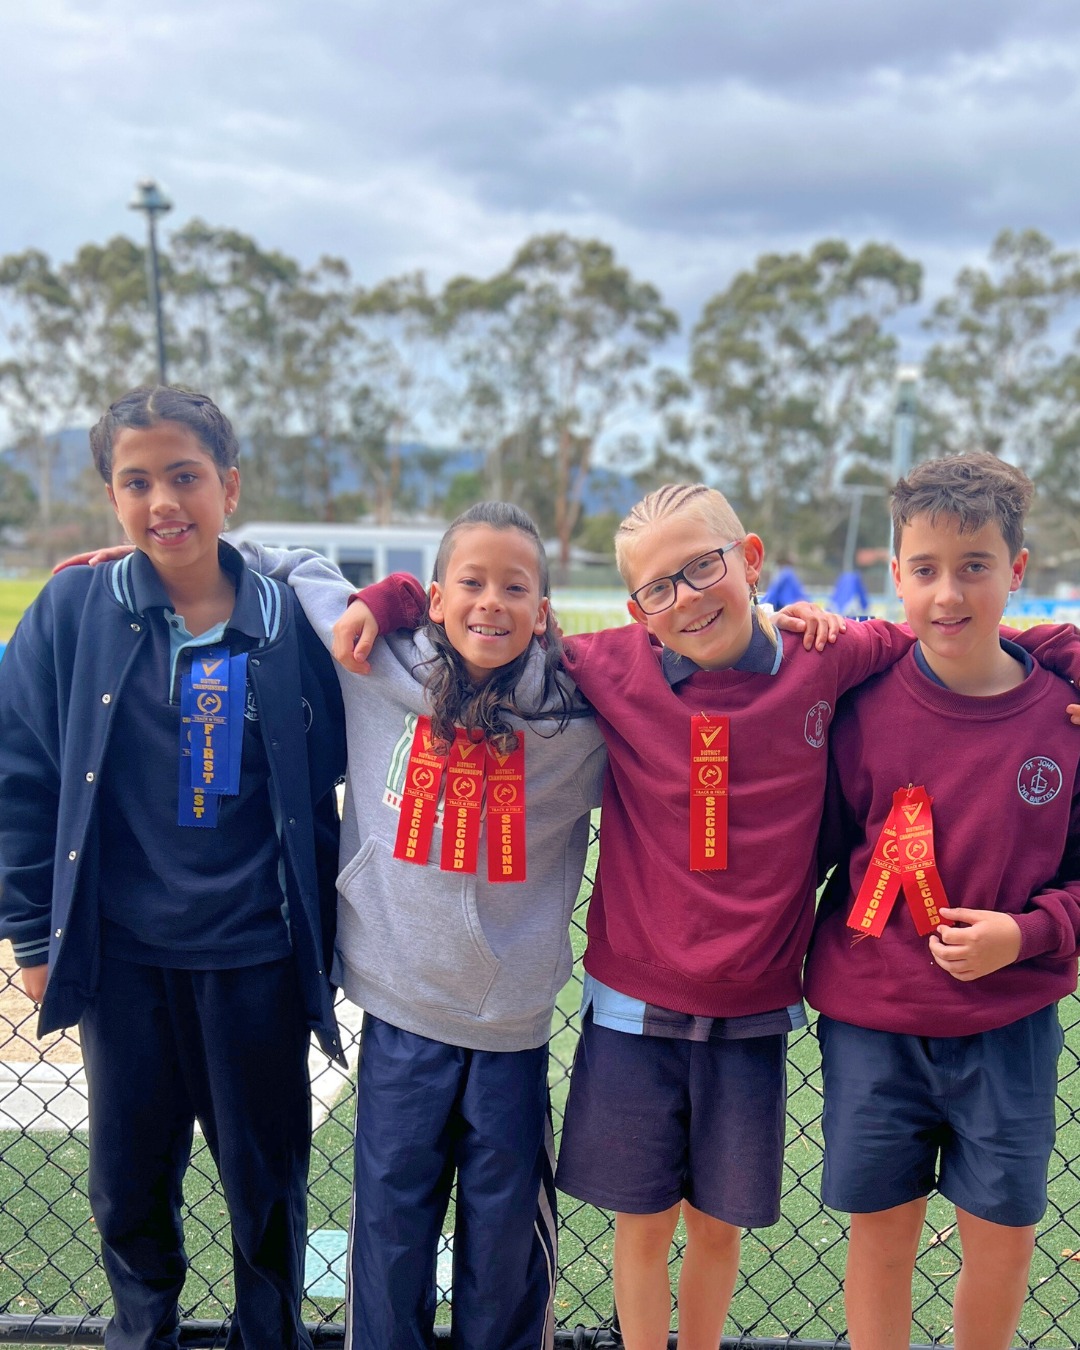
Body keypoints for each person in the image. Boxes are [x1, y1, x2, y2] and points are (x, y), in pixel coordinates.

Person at [336, 481, 1080, 1350]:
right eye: (659, 587)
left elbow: (955, 632)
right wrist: (386, 594)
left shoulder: (828, 656)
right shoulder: (609, 665)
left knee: (717, 1230)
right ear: (635, 609)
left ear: (751, 560)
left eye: (702, 568)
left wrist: (1067, 654)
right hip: (630, 1008)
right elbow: (496, 618)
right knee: (641, 1227)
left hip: (756, 1009)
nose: (686, 598)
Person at [0, 386, 346, 1350]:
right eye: (137, 480)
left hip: (257, 962)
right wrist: (34, 931)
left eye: (186, 476)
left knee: (266, 1185)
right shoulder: (76, 608)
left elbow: (360, 744)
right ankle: (140, 1332)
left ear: (229, 486)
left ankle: (265, 1337)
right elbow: (17, 772)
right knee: (127, 1184)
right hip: (126, 966)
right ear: (112, 497)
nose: (165, 502)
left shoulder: (293, 626)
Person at [805, 452, 1080, 1350]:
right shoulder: (860, 706)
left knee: (1000, 1244)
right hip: (874, 1023)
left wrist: (1029, 932)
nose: (948, 593)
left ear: (1019, 573)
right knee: (883, 1239)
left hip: (1009, 1025)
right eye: (924, 570)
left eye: (974, 567)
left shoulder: (1063, 718)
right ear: (895, 576)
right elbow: (812, 847)